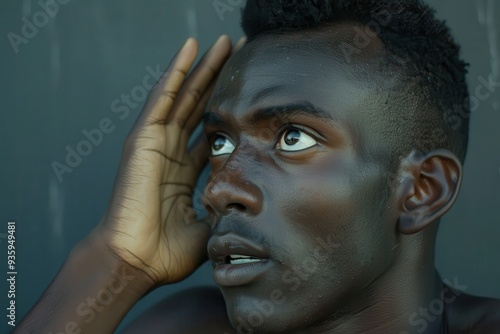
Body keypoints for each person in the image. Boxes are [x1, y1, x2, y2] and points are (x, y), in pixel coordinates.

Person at [16, 0, 500, 333]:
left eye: (293, 138)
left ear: (422, 189)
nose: (219, 188)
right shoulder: (185, 327)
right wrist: (116, 263)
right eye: (221, 143)